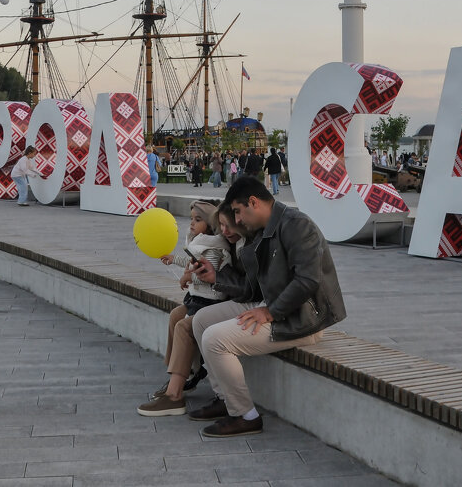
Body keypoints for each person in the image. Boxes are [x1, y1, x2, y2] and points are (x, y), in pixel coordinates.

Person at [188, 176, 347, 438]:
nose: (237, 221)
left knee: (215, 339)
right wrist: (217, 277)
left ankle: (245, 415)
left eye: (238, 212)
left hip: (301, 318)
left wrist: (270, 312)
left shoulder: (298, 225)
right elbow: (252, 288)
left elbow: (308, 280)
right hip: (272, 307)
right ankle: (226, 400)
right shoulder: (260, 232)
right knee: (201, 321)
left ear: (254, 202)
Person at [137, 200, 232, 417]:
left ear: (209, 224)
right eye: (191, 219)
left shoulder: (213, 246)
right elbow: (191, 264)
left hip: (212, 302)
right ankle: (182, 373)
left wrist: (189, 278)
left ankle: (175, 395)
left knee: (183, 326)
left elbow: (209, 276)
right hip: (197, 300)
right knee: (175, 315)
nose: (191, 223)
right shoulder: (199, 242)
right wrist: (176, 262)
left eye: (198, 220)